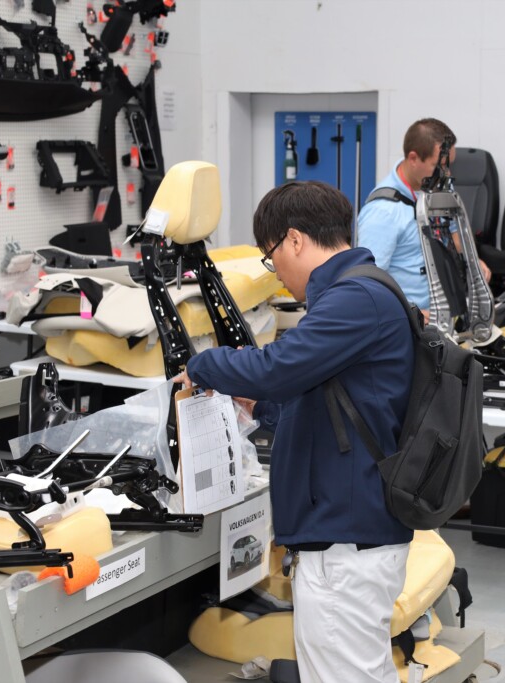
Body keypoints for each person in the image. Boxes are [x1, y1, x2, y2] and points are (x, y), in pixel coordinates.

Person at [175, 181, 414, 683]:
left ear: (294, 240)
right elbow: (336, 404)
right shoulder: (362, 291)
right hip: (350, 533)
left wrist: (204, 365)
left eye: (270, 258)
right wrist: (261, 406)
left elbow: (277, 368)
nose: (277, 274)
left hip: (346, 542)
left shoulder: (356, 298)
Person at [357, 118, 490, 312]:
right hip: (407, 322)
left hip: (445, 313)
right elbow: (368, 283)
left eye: (449, 165)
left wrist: (473, 261)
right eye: (439, 165)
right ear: (413, 159)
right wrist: (411, 313)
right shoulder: (383, 212)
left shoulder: (439, 186)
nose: (446, 174)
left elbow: (453, 234)